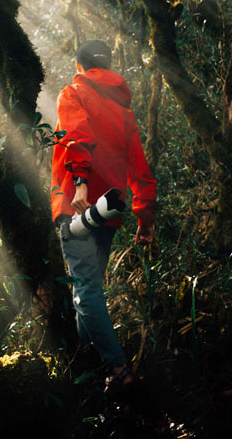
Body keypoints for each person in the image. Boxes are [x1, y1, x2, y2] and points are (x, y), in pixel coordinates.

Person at [51, 39, 157, 393]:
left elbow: (76, 135)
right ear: (108, 68)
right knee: (90, 291)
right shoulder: (123, 112)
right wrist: (145, 219)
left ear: (80, 67)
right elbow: (140, 171)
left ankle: (118, 370)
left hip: (76, 208)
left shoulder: (72, 93)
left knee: (86, 291)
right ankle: (88, 371)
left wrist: (79, 183)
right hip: (108, 212)